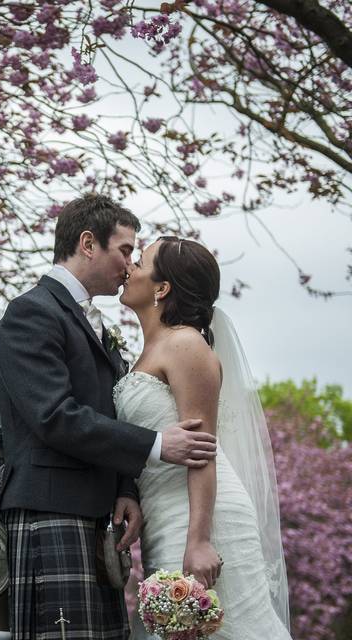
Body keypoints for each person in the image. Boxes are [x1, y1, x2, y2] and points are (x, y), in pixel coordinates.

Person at [0, 195, 219, 640]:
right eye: (126, 250)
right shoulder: (31, 313)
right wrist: (155, 445)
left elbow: (104, 412)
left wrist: (124, 486)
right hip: (50, 510)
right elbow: (54, 416)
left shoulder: (92, 322)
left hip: (97, 519)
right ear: (88, 243)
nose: (130, 264)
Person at [117, 236, 291, 639]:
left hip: (202, 516)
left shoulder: (185, 346)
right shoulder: (151, 349)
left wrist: (199, 539)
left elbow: (203, 449)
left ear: (162, 288)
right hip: (163, 514)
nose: (129, 268)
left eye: (140, 263)